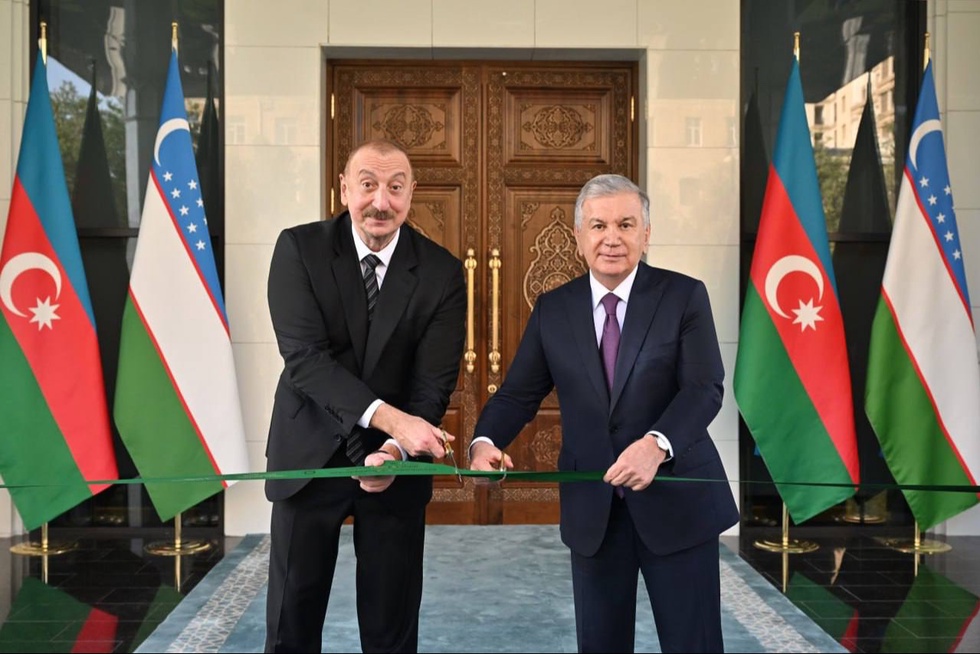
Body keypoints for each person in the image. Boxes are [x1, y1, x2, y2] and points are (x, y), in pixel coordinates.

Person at [469, 174, 738, 653]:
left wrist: (656, 445)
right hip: (595, 512)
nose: (611, 238)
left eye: (625, 224)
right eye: (598, 226)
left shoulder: (684, 296)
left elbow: (704, 389)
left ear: (646, 234)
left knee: (693, 644)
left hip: (678, 504)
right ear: (579, 236)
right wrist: (485, 442)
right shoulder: (553, 309)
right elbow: (517, 394)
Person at [264, 138, 466, 653]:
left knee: (390, 629)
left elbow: (432, 383)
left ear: (412, 193)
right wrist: (394, 423)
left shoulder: (441, 272)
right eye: (368, 185)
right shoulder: (299, 249)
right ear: (344, 189)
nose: (381, 201)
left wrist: (396, 449)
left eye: (395, 188)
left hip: (395, 466)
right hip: (309, 454)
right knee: (291, 626)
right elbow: (305, 360)